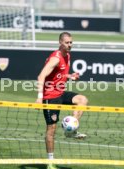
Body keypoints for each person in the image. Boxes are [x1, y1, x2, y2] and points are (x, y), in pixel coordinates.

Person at [36, 32, 88, 169]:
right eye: (67, 43)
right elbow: (41, 76)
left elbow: (60, 74)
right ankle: (50, 162)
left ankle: (70, 130)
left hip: (60, 92)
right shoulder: (56, 58)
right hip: (50, 97)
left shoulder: (68, 55)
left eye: (71, 42)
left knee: (82, 100)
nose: (70, 45)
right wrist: (39, 97)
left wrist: (70, 76)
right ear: (60, 42)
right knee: (51, 129)